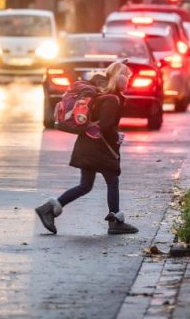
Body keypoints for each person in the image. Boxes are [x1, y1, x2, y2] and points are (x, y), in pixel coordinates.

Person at [35, 62, 138, 235]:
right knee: (112, 180)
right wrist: (116, 136)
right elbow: (106, 126)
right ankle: (115, 221)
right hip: (100, 148)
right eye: (127, 76)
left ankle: (49, 209)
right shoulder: (111, 99)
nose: (128, 80)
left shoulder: (102, 95)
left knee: (86, 185)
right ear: (119, 77)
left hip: (87, 145)